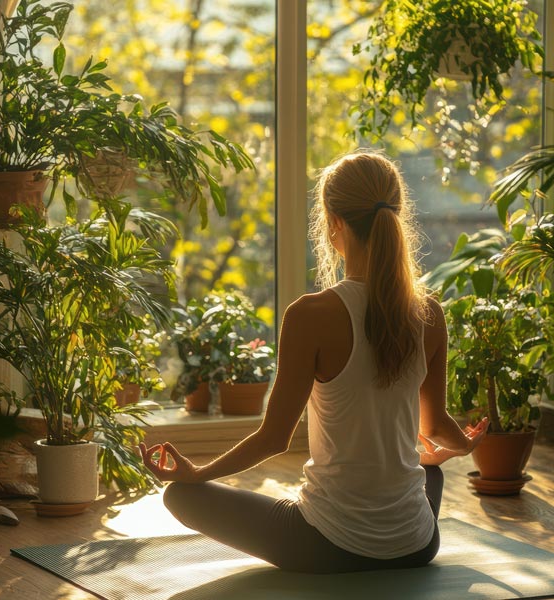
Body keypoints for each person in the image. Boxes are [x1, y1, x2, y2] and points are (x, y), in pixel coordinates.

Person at [140, 150, 488, 573]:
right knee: (430, 473)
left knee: (180, 495)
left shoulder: (310, 314)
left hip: (326, 545)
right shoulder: (429, 312)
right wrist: (465, 444)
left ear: (334, 222)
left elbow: (274, 439)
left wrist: (198, 472)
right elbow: (434, 429)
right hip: (416, 545)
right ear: (395, 216)